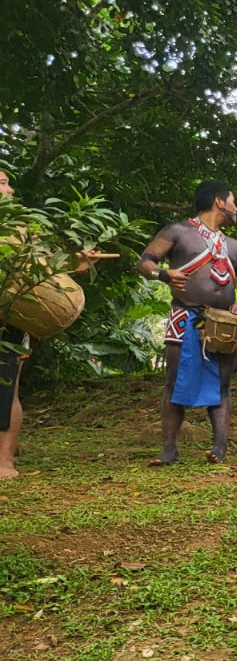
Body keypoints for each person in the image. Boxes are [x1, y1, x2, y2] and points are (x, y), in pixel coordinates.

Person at [2, 168, 117, 479]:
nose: (10, 190)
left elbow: (46, 269)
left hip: (9, 323)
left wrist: (78, 264)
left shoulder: (22, 230)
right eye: (2, 183)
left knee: (8, 389)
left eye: (9, 183)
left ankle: (4, 463)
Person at [137, 181, 237, 465]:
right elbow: (145, 262)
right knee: (173, 381)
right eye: (234, 202)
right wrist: (163, 275)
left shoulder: (234, 246)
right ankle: (169, 449)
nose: (236, 208)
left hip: (224, 323)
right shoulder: (178, 231)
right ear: (219, 202)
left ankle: (219, 447)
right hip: (185, 316)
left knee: (223, 383)